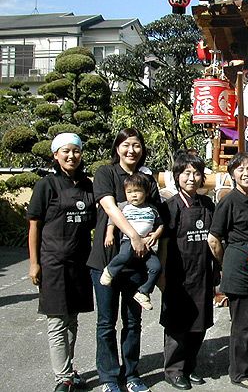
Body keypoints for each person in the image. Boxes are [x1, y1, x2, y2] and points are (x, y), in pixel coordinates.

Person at [87, 128, 162, 392]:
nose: (132, 150)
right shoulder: (105, 173)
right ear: (117, 147)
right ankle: (109, 377)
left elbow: (158, 213)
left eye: (137, 145)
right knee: (106, 322)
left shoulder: (147, 179)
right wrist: (133, 235)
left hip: (138, 262)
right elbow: (110, 207)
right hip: (106, 259)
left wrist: (152, 236)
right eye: (126, 145)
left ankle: (131, 374)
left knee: (132, 322)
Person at [27, 133, 96, 392]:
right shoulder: (47, 185)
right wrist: (35, 263)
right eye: (65, 151)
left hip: (80, 263)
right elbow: (34, 226)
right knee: (57, 320)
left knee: (73, 319)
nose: (71, 156)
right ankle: (63, 377)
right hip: (53, 262)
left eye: (76, 151)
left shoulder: (87, 185)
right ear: (55, 155)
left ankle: (68, 368)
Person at [207, 152, 248, 390]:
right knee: (243, 324)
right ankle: (239, 373)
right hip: (238, 265)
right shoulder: (228, 201)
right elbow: (214, 238)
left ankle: (246, 365)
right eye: (241, 169)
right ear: (232, 174)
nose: (246, 173)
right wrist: (227, 263)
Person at [159, 153, 216, 390]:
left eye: (196, 173)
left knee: (199, 323)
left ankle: (190, 367)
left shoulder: (208, 205)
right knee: (177, 325)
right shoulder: (170, 207)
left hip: (202, 272)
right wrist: (161, 274)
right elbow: (163, 243)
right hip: (178, 274)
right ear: (177, 176)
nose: (191, 178)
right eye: (186, 173)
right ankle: (173, 370)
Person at [101, 173, 163, 311]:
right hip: (128, 241)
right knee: (124, 256)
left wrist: (155, 235)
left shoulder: (152, 209)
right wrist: (109, 234)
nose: (133, 195)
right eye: (129, 192)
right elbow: (112, 220)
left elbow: (160, 225)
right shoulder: (123, 206)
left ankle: (143, 292)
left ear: (146, 192)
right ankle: (109, 271)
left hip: (146, 245)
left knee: (156, 267)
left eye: (138, 191)